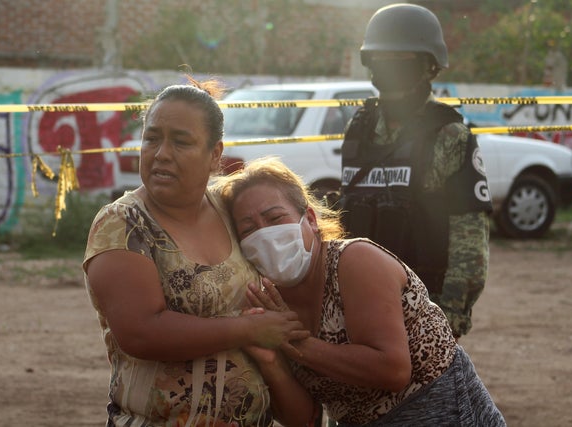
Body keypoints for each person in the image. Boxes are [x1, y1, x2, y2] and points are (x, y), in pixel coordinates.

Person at [82, 76, 310, 426]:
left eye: (181, 142)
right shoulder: (122, 224)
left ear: (215, 155)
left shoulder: (232, 209)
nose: (161, 154)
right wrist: (249, 331)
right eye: (152, 138)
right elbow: (140, 332)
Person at [218, 157, 506, 426]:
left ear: (310, 218)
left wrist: (299, 346)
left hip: (445, 412)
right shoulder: (270, 303)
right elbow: (307, 419)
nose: (265, 234)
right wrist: (271, 361)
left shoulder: (355, 261)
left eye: (275, 218)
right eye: (248, 229)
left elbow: (392, 370)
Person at [338, 3, 493, 338]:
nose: (388, 71)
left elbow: (469, 245)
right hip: (356, 306)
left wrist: (447, 321)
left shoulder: (449, 136)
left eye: (401, 62)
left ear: (429, 67)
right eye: (380, 61)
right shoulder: (359, 128)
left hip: (422, 313)